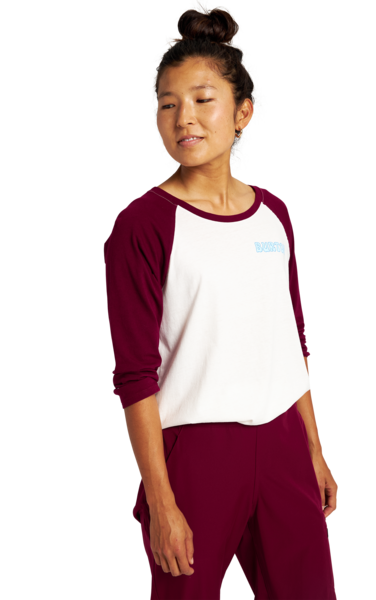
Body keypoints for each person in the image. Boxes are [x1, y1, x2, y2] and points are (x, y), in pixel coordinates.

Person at [102, 4, 339, 599]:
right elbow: (134, 374)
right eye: (167, 104)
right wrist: (161, 500)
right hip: (195, 451)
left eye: (202, 99)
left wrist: (314, 449)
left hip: (283, 441)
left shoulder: (275, 214)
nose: (183, 117)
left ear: (242, 113)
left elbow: (292, 341)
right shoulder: (142, 226)